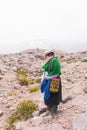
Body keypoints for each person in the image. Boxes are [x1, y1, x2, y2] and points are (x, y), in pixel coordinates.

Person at [40, 49, 62, 116]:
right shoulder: (50, 61)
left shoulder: (55, 61)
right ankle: (49, 109)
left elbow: (57, 71)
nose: (45, 58)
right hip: (49, 80)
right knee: (48, 94)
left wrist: (49, 77)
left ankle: (54, 111)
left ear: (49, 55)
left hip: (55, 80)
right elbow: (45, 68)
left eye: (46, 56)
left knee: (54, 94)